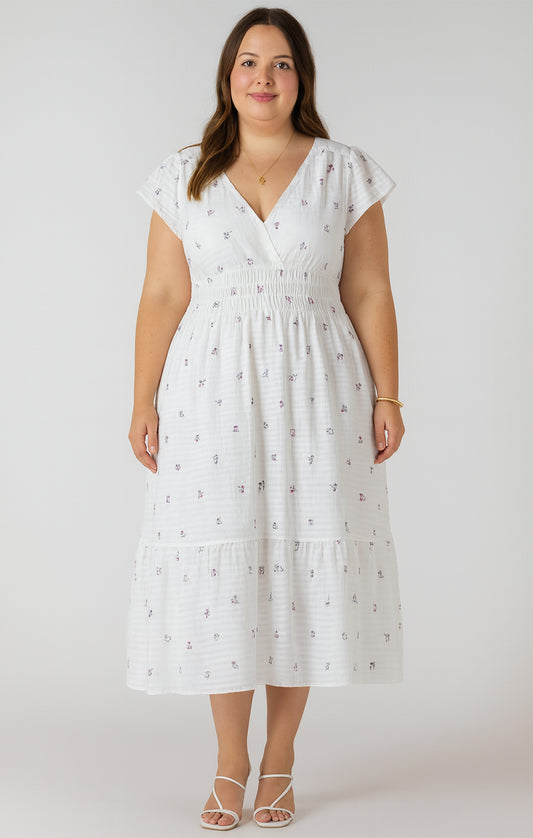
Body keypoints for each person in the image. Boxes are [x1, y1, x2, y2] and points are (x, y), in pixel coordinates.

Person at [127, 5, 405, 830]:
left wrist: (389, 394)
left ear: (300, 79)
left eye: (280, 64)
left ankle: (279, 760)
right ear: (227, 76)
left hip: (320, 389)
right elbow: (163, 294)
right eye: (249, 62)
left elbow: (369, 290)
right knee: (224, 574)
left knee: (298, 574)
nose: (262, 77)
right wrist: (140, 396)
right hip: (209, 392)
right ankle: (228, 763)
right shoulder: (184, 174)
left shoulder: (343, 171)